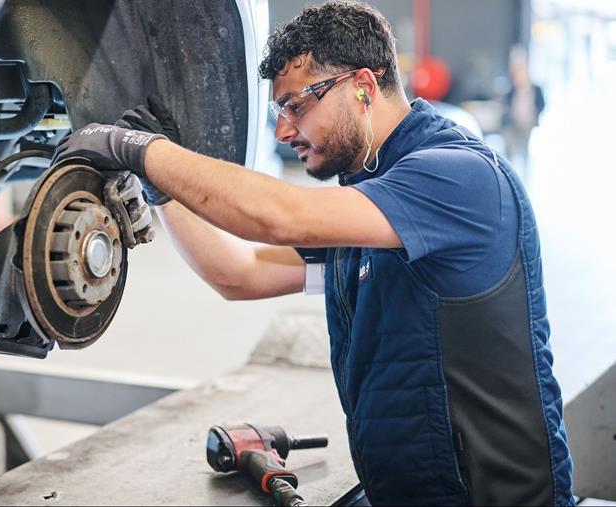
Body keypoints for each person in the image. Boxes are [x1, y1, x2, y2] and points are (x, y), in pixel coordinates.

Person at [52, 2, 573, 505]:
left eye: (297, 105)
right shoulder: (369, 205)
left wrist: (136, 147)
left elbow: (280, 217)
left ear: (364, 87)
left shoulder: (457, 177)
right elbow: (240, 273)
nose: (284, 130)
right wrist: (159, 189)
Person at [502, 46, 546, 180]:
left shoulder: (535, 88)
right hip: (512, 124)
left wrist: (534, 114)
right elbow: (506, 104)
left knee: (525, 152)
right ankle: (509, 175)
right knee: (509, 151)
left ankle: (525, 178)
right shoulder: (512, 88)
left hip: (527, 124)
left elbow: (541, 104)